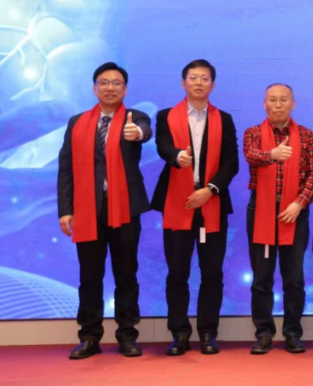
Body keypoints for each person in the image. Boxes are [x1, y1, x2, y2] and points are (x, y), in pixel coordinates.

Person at [57, 62, 151, 359]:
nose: (110, 87)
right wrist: (65, 209)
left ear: (125, 89)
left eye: (116, 83)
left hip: (125, 208)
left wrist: (137, 133)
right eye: (104, 82)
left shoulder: (135, 118)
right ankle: (89, 336)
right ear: (94, 88)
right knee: (89, 276)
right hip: (87, 209)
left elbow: (144, 132)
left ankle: (127, 335)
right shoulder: (77, 122)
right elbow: (66, 168)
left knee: (126, 274)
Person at [151, 59, 239, 356]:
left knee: (212, 272)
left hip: (211, 201)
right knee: (177, 273)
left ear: (212, 84)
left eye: (204, 78)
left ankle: (208, 332)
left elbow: (231, 162)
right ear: (183, 83)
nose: (198, 82)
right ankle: (179, 333)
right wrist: (177, 156)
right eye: (193, 77)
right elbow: (162, 146)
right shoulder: (166, 116)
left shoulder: (224, 119)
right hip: (178, 201)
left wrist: (210, 190)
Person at [243, 84, 313, 355]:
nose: (278, 104)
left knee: (294, 277)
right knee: (261, 277)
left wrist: (299, 204)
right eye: (272, 100)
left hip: (294, 211)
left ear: (293, 104)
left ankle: (292, 332)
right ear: (264, 104)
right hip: (261, 210)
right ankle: (264, 332)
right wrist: (272, 155)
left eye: (283, 100)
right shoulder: (253, 133)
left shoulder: (306, 135)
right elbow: (251, 155)